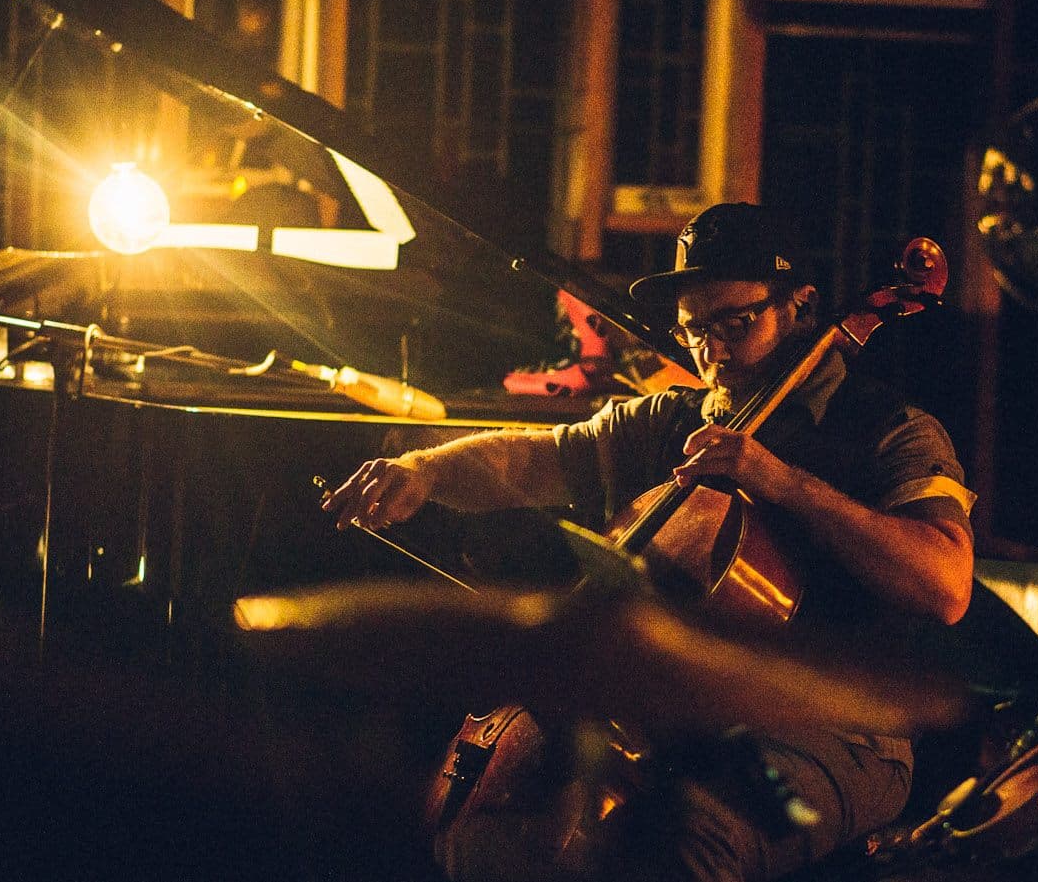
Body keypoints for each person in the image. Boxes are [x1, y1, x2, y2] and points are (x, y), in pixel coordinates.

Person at [321, 202, 977, 882]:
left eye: (736, 323)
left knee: (686, 835)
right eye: (695, 330)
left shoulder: (889, 429)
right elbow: (531, 460)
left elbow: (946, 584)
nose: (711, 351)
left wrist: (782, 481)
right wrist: (421, 471)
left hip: (831, 727)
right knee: (489, 825)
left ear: (803, 307)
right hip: (673, 712)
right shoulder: (672, 419)